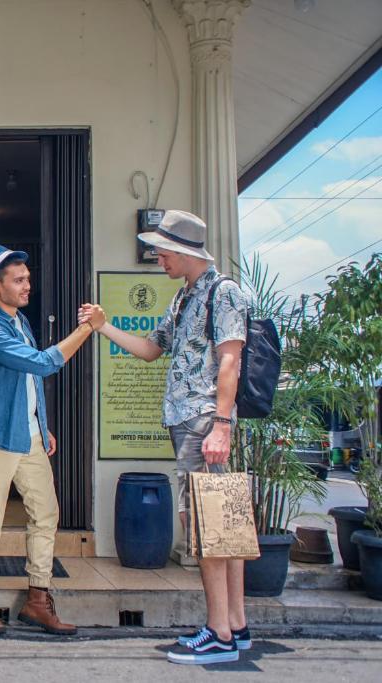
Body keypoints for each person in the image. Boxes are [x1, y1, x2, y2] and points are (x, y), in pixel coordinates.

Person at [79, 210, 249, 665]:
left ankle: (218, 634)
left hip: (203, 423)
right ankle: (235, 624)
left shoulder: (222, 292)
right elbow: (151, 350)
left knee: (208, 525)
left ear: (184, 251)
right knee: (220, 525)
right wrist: (103, 325)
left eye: (162, 250)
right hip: (190, 423)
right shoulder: (183, 298)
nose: (157, 258)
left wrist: (222, 424)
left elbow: (229, 360)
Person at [0, 245, 102, 636]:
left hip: (29, 435)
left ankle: (38, 601)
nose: (28, 285)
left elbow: (30, 379)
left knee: (46, 514)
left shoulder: (20, 320)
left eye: (27, 278)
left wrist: (42, 425)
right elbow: (41, 363)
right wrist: (87, 328)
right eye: (18, 280)